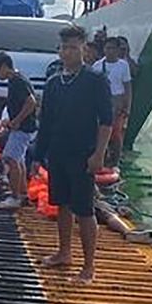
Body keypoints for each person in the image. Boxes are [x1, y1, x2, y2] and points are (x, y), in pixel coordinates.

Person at [34, 25, 113, 284]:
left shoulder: (95, 80)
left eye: (73, 47)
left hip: (83, 154)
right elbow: (45, 122)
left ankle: (89, 267)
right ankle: (64, 252)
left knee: (84, 210)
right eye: (64, 47)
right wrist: (38, 155)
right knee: (62, 204)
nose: (67, 52)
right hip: (57, 153)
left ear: (84, 49)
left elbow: (106, 121)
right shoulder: (54, 82)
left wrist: (99, 154)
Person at [0, 52, 38, 209]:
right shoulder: (17, 79)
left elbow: (31, 102)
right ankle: (22, 193)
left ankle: (15, 196)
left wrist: (17, 121)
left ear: (4, 67)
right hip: (23, 127)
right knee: (19, 160)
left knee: (10, 158)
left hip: (22, 128)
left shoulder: (17, 81)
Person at [93, 37, 132, 167]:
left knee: (116, 133)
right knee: (100, 131)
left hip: (117, 100)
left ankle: (115, 160)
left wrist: (127, 106)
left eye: (112, 48)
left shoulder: (123, 65)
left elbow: (127, 87)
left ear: (117, 50)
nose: (109, 51)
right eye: (107, 48)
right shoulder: (97, 65)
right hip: (101, 100)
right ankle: (101, 158)